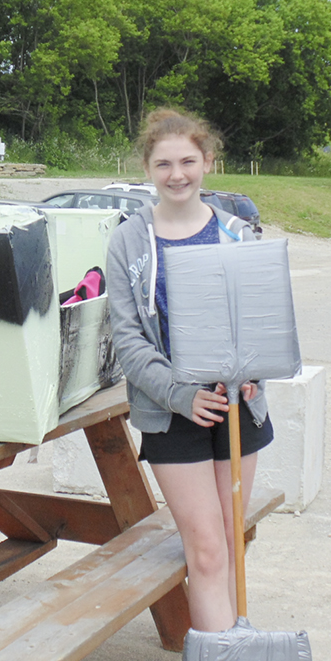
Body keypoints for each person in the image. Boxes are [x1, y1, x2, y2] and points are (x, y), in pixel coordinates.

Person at [105, 107, 274, 633]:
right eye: (163, 164)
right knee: (206, 551)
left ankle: (233, 659)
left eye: (187, 162)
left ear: (208, 162)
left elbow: (259, 321)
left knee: (230, 544)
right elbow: (128, 339)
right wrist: (181, 394)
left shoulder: (237, 235)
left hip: (236, 406)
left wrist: (254, 374)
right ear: (147, 168)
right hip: (170, 412)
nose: (176, 174)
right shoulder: (129, 241)